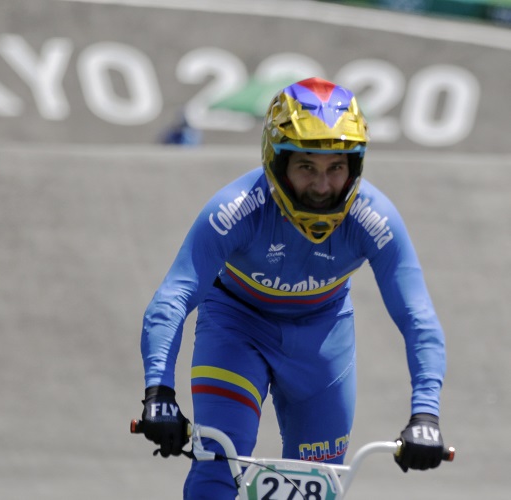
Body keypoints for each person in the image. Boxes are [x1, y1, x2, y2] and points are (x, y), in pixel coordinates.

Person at [137, 77, 447, 499]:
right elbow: (173, 297)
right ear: (277, 162)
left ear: (355, 166)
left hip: (322, 338)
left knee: (314, 486)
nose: (322, 187)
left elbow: (417, 317)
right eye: (307, 167)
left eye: (336, 167)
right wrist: (159, 392)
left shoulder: (376, 219)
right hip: (235, 329)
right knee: (218, 468)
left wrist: (425, 414)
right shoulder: (236, 210)